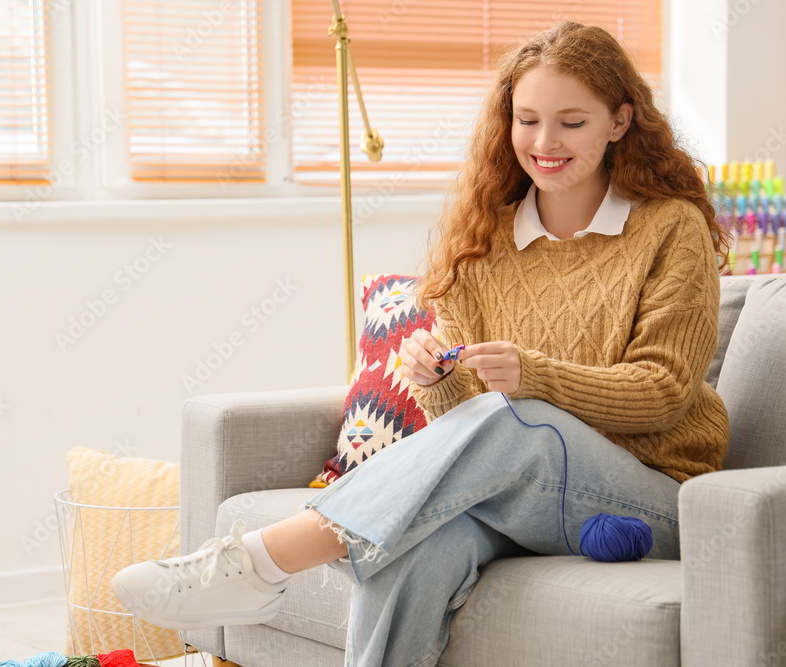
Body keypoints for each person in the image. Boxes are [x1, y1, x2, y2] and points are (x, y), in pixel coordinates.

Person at [112, 21, 731, 667]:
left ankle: (258, 563)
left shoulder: (670, 227)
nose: (545, 142)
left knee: (514, 417)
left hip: (653, 501)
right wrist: (439, 382)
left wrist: (534, 376)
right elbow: (465, 424)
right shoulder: (482, 241)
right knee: (413, 550)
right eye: (527, 120)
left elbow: (663, 393)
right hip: (522, 493)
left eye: (571, 122)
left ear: (620, 120)